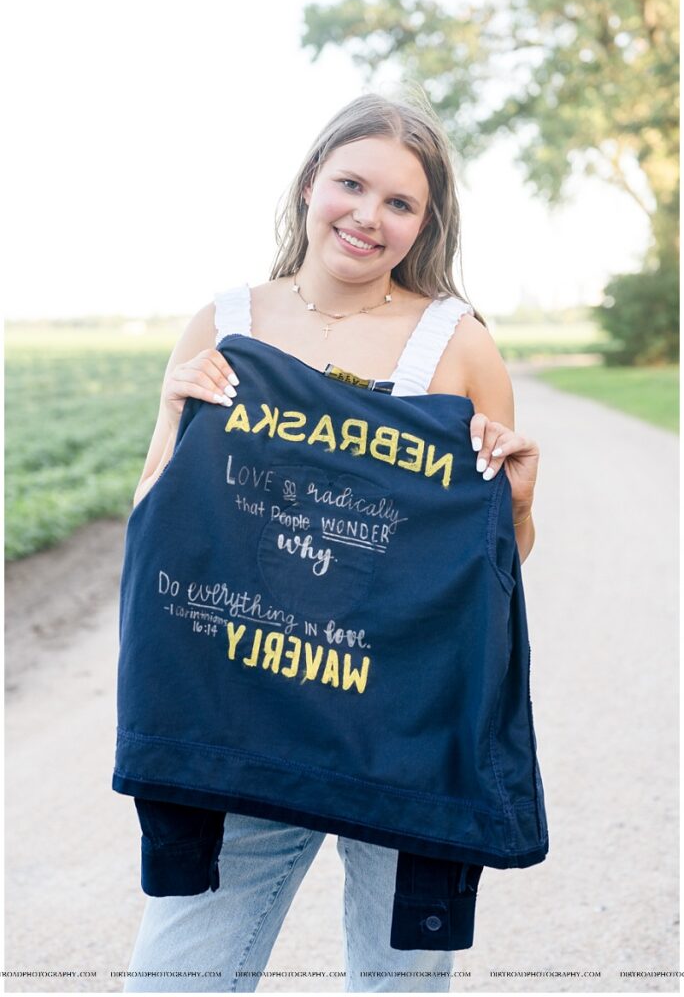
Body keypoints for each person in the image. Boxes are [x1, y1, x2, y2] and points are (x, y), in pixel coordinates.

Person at [122, 87, 540, 993]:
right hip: (244, 716)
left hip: (403, 730)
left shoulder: (458, 344)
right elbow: (155, 521)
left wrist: (515, 495)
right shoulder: (226, 323)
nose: (369, 217)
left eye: (400, 203)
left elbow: (493, 558)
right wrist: (172, 410)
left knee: (398, 983)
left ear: (424, 223)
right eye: (353, 184)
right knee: (174, 976)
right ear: (313, 182)